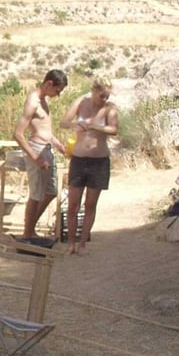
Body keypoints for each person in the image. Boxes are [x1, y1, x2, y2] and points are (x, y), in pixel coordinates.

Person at [60, 76, 119, 254]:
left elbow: (114, 129)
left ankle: (83, 243)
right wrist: (76, 125)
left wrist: (95, 127)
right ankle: (71, 243)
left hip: (99, 160)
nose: (104, 99)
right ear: (94, 91)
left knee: (90, 204)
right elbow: (63, 122)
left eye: (107, 96)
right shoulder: (81, 102)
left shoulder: (110, 109)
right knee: (72, 204)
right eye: (102, 95)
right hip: (79, 158)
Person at [14, 69, 69, 238]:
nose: (57, 95)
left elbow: (45, 129)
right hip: (36, 150)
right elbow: (18, 134)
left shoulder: (44, 101)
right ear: (49, 84)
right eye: (57, 91)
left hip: (47, 149)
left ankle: (30, 227)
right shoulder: (33, 101)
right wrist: (36, 158)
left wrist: (58, 144)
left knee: (51, 191)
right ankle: (28, 232)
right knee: (36, 194)